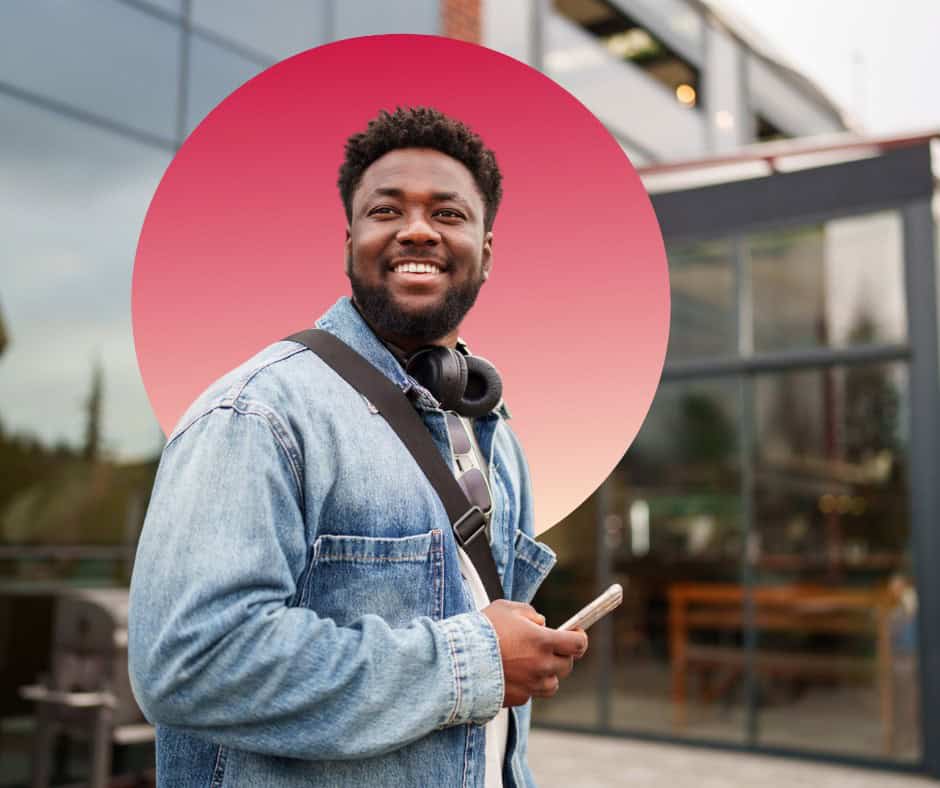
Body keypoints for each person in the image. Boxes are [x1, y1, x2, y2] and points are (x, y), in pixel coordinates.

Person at [128, 106, 588, 787]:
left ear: (486, 253)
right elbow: (191, 662)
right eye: (386, 210)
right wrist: (476, 661)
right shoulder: (258, 415)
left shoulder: (495, 434)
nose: (417, 230)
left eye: (450, 214)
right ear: (350, 242)